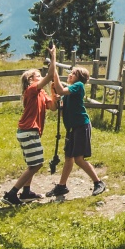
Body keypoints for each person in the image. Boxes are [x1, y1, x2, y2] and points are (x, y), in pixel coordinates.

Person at [47, 58, 105, 198]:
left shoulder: (78, 86)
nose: (70, 75)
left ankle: (98, 182)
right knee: (68, 158)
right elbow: (60, 111)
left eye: (73, 73)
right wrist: (55, 96)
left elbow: (61, 88)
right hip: (72, 128)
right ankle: (62, 186)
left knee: (78, 158)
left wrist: (54, 69)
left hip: (81, 126)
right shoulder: (68, 92)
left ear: (79, 77)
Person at [5, 53, 56, 205]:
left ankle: (26, 192)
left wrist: (54, 93)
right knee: (36, 164)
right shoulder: (32, 90)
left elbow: (52, 107)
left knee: (32, 163)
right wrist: (53, 58)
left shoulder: (41, 92)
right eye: (38, 76)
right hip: (28, 131)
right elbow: (51, 75)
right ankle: (12, 193)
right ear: (30, 80)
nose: (41, 78)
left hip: (30, 132)